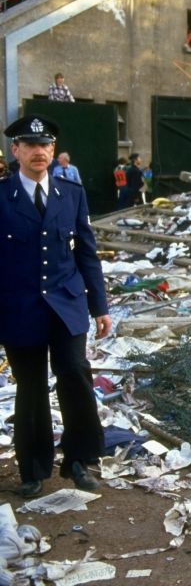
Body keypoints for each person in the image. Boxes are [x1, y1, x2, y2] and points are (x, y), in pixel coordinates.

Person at [0, 113, 112, 498]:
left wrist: (100, 306)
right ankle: (33, 469)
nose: (39, 152)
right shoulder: (2, 195)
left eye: (45, 145)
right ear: (15, 150)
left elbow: (87, 253)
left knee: (76, 375)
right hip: (18, 308)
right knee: (30, 387)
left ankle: (81, 461)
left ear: (53, 150)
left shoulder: (71, 193)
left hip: (66, 305)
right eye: (30, 145)